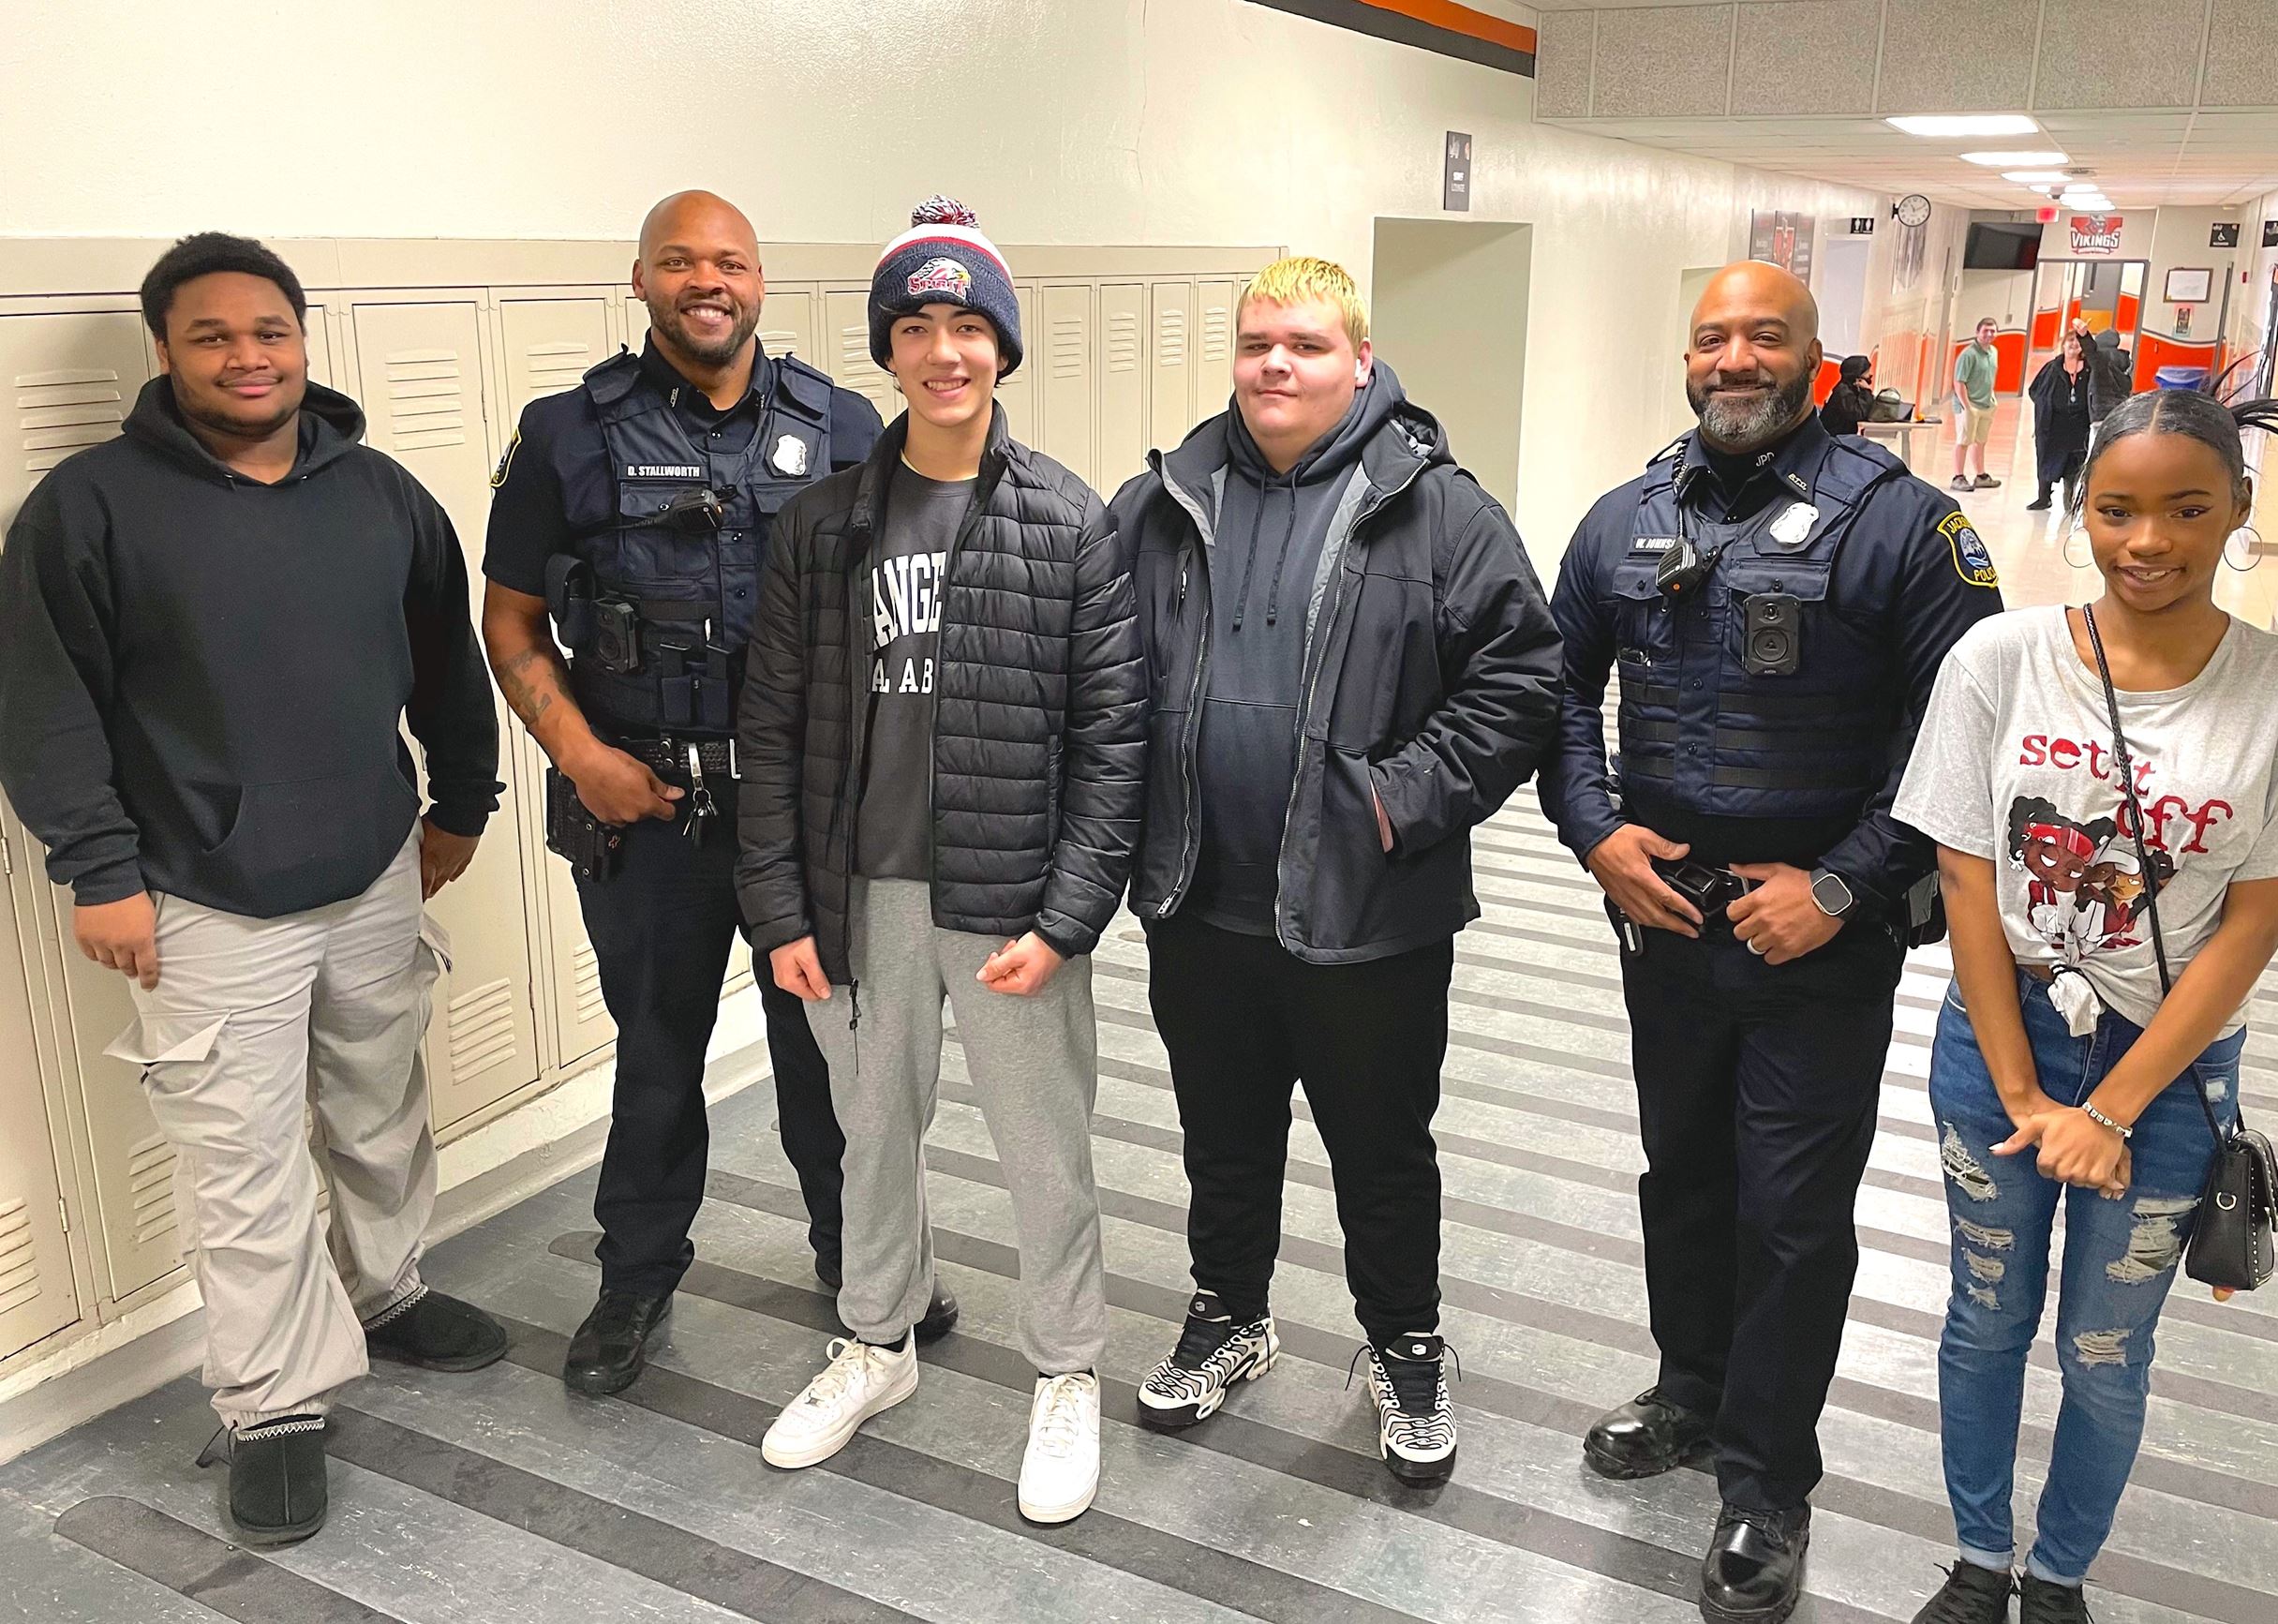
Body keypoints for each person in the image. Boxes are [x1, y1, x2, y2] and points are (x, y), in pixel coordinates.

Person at [0, 233, 507, 1544]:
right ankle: (275, 1400)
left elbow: (446, 660)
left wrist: (460, 802)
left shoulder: (381, 494)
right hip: (203, 895)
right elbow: (45, 707)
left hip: (373, 872)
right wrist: (98, 868)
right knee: (242, 1160)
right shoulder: (92, 507)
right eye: (214, 336)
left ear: (302, 339)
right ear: (164, 350)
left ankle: (387, 1290)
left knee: (380, 1097)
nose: (246, 356)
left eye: (267, 331)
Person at [1541, 261, 2003, 1623]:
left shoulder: (1908, 530)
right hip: (1666, 915)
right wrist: (1597, 835)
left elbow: (1957, 742)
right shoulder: (1625, 518)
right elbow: (1556, 686)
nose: (1734, 360)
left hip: (1819, 940)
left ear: (1814, 355)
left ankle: (1766, 1482)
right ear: (1688, 358)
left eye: (1765, 337)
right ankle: (1689, 1392)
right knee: (1680, 1172)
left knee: (1792, 1216)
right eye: (1712, 339)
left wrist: (1846, 887)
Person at [1891, 390, 2278, 1624]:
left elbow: (2251, 930)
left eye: (2185, 509)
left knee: (2104, 1355)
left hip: (2168, 1073)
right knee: (1986, 1320)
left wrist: (2107, 1106)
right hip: (1995, 1037)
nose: (2147, 540)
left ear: (2237, 515)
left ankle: (2056, 1579)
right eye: (2117, 510)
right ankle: (1976, 1558)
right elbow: (1966, 875)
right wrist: (2018, 1091)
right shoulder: (1996, 662)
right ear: (2081, 511)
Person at [479, 192, 942, 1400]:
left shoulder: (842, 423)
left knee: (831, 1056)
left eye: (727, 260)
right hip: (649, 810)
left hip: (806, 817)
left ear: (760, 281)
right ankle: (635, 1275)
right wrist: (578, 752)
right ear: (638, 280)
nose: (706, 279)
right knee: (656, 1055)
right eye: (678, 260)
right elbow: (512, 620)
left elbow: (899, 603)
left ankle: (865, 1263)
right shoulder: (566, 434)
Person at [1112, 256, 1561, 1485]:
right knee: (1222, 1130)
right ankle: (1231, 1311)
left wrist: (1400, 796)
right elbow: (1094, 674)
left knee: (1381, 1142)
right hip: (1202, 901)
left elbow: (1525, 676)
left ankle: (1404, 1341)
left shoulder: (1436, 506)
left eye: (1305, 345)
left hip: (1370, 909)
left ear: (1359, 360)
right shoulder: (1164, 500)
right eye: (1258, 343)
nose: (1275, 365)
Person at [736, 198, 1145, 1527]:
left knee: (1045, 1151)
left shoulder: (1067, 524)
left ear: (1004, 349)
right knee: (872, 1142)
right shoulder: (822, 527)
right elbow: (774, 726)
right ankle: (877, 1342)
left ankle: (1066, 1367)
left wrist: (1072, 916)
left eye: (970, 325)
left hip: (1008, 895)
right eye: (916, 326)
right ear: (889, 351)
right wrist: (782, 907)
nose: (944, 351)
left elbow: (1111, 743)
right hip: (862, 901)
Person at [2024, 330, 2094, 511]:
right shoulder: (2052, 367)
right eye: (2070, 340)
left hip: (2078, 426)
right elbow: (2035, 390)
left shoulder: (2089, 369)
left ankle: (2069, 500)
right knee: (2047, 460)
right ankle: (2043, 497)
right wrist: (2045, 408)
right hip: (2053, 426)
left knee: (2073, 464)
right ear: (2063, 344)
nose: (2073, 344)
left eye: (2078, 341)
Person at [1950, 317, 2002, 493]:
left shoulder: (1993, 352)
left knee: (1980, 441)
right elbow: (1959, 382)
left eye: (1992, 331)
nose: (1989, 334)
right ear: (1977, 333)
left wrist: (1991, 398)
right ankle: (1958, 477)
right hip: (1969, 405)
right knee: (1964, 441)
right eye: (1985, 331)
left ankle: (1981, 476)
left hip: (1986, 404)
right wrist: (1967, 406)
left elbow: (1989, 378)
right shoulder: (1968, 355)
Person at [1819, 353, 1875, 438]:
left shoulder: (1851, 389)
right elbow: (1858, 414)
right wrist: (1866, 391)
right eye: (1866, 373)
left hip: (1840, 437)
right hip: (1832, 438)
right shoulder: (1844, 393)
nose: (1869, 375)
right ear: (1857, 376)